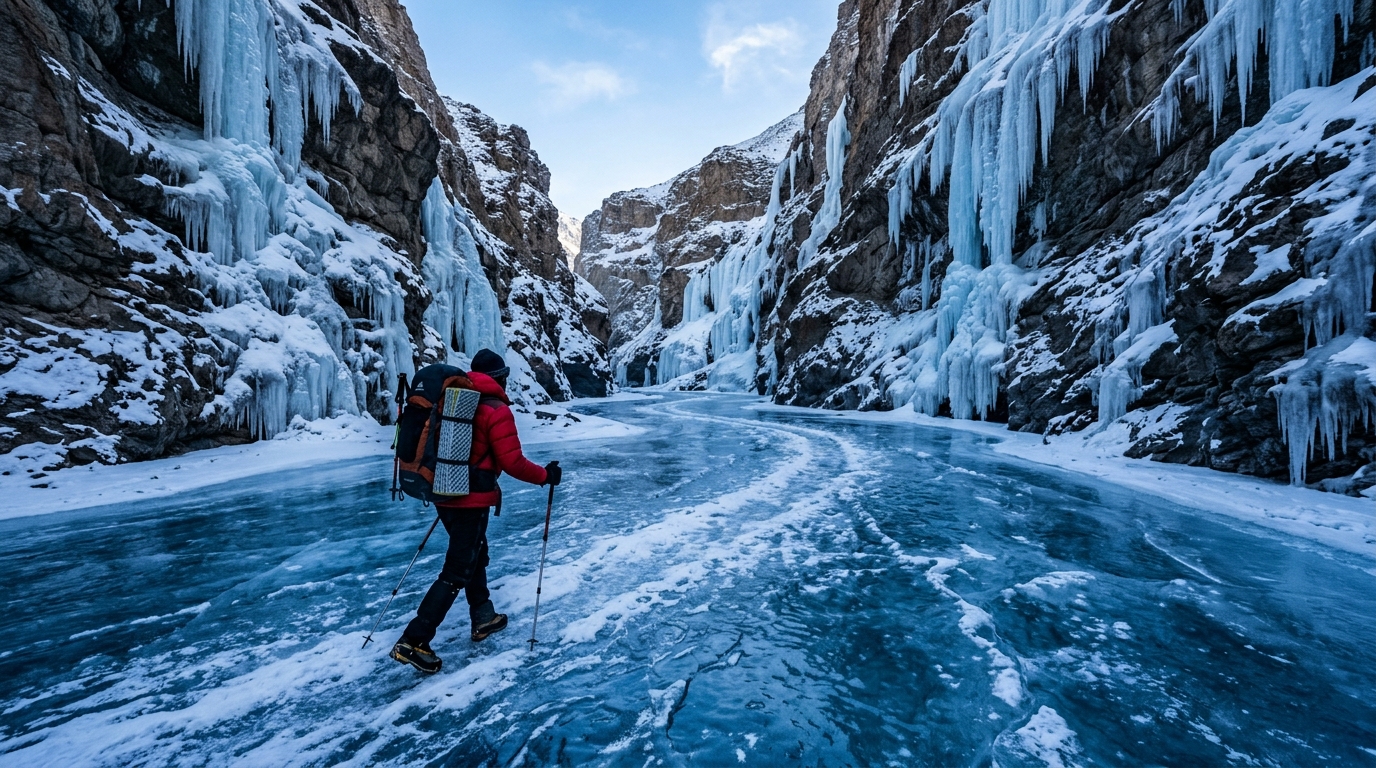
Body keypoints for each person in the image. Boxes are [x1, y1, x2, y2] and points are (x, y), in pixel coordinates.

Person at [390, 349, 563, 674]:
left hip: (444, 495)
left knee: (474, 553)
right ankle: (414, 639)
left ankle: (483, 615)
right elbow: (512, 462)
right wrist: (546, 476)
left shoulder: (454, 401)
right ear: (501, 378)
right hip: (471, 499)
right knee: (458, 568)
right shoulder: (495, 409)